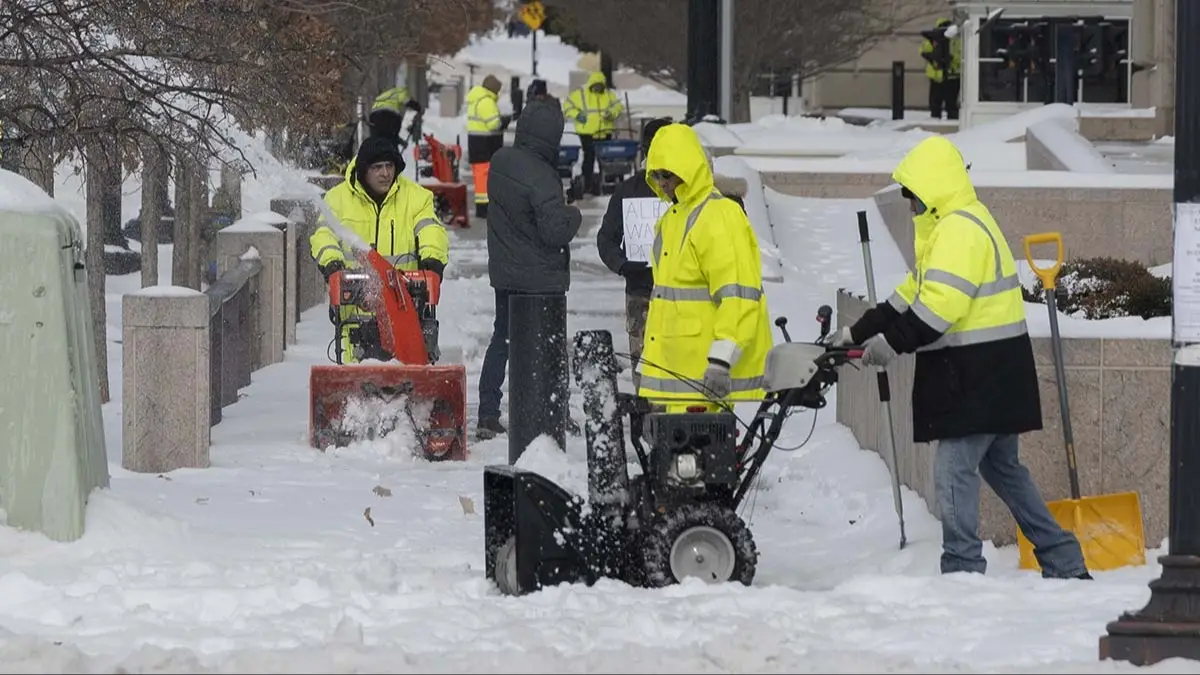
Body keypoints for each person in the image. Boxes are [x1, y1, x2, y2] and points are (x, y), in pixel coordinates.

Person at [831, 135, 1091, 580]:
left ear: (932, 188)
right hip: (995, 373)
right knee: (1005, 471)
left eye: (913, 196)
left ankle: (962, 569)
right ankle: (1063, 560)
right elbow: (911, 294)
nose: (910, 205)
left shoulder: (959, 231)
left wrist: (889, 346)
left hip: (978, 376)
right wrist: (855, 332)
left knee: (953, 472)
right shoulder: (955, 226)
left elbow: (937, 310)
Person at [636, 122, 772, 412]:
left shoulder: (718, 216)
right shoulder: (672, 220)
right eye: (655, 175)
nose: (661, 182)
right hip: (677, 379)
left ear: (688, 169)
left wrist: (722, 360)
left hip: (706, 379)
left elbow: (738, 296)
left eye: (667, 174)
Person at [476, 97, 582, 440]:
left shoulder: (500, 161)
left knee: (502, 339)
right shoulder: (543, 176)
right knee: (551, 347)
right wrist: (574, 213)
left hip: (506, 273)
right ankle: (556, 412)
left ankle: (488, 412)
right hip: (541, 278)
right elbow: (554, 231)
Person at [309, 135, 450, 361]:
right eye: (377, 167)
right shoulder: (337, 200)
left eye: (389, 166)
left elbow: (431, 230)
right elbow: (323, 235)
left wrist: (432, 261)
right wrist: (333, 265)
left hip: (406, 308)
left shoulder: (416, 198)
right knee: (356, 375)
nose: (385, 173)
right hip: (356, 312)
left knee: (409, 372)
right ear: (364, 170)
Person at [596, 117, 672, 390]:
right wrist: (623, 264)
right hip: (642, 292)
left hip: (681, 296)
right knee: (645, 370)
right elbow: (606, 239)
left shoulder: (686, 190)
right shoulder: (629, 190)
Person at [561, 72, 623, 196]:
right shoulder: (580, 95)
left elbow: (618, 107)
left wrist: (611, 113)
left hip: (604, 132)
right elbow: (567, 106)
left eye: (600, 86)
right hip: (587, 133)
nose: (598, 88)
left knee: (605, 161)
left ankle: (604, 183)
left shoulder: (609, 95)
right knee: (588, 158)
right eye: (596, 85)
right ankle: (588, 184)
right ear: (591, 84)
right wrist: (577, 115)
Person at [465, 75, 510, 219]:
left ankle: (482, 206)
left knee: (480, 177)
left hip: (477, 144)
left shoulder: (477, 99)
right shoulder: (486, 101)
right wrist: (505, 121)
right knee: (485, 176)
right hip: (486, 145)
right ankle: (484, 208)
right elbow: (494, 124)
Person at [921, 18, 962, 120]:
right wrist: (933, 55)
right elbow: (923, 51)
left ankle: (950, 122)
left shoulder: (956, 40)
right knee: (936, 105)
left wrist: (950, 58)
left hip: (950, 76)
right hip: (938, 77)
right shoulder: (933, 40)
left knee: (950, 106)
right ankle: (938, 121)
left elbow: (961, 55)